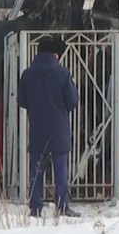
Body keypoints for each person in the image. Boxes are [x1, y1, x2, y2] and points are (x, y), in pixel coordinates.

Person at [19, 37, 80, 218]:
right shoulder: (62, 74)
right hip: (58, 127)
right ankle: (62, 206)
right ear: (55, 54)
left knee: (36, 169)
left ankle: (35, 207)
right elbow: (73, 101)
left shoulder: (27, 74)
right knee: (60, 168)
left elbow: (22, 100)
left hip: (37, 127)